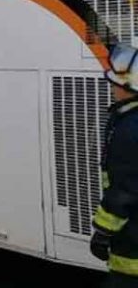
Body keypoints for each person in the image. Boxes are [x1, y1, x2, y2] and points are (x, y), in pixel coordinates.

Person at [91, 43, 138, 286]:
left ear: (126, 87)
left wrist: (102, 232)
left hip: (132, 247)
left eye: (114, 83)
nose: (111, 88)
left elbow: (124, 191)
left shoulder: (129, 127)